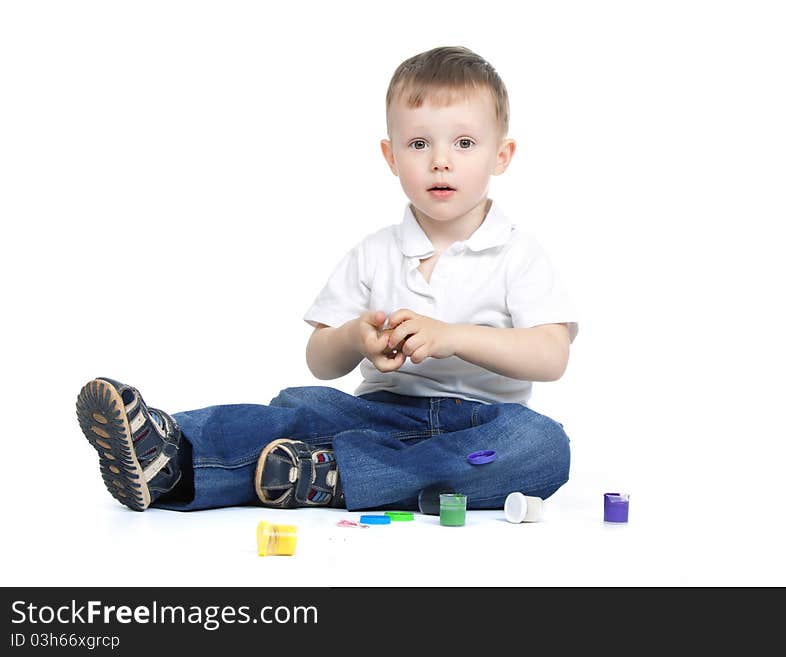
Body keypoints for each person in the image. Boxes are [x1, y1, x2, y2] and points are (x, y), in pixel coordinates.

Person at [74, 45, 579, 513]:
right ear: (391, 157)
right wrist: (355, 337)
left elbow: (551, 356)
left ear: (501, 156)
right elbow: (319, 360)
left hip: (481, 424)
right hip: (377, 414)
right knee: (299, 408)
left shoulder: (518, 253)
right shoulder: (375, 252)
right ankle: (172, 457)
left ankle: (337, 474)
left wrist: (453, 338)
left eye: (464, 143)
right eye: (419, 143)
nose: (440, 160)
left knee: (542, 447)